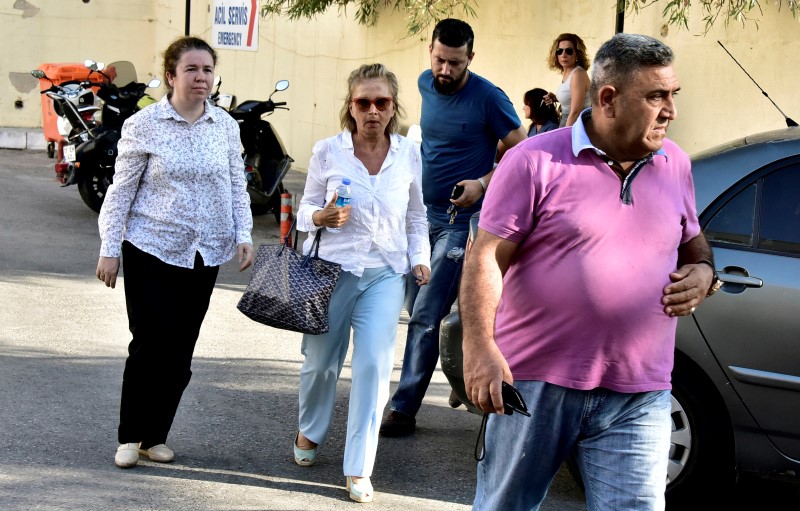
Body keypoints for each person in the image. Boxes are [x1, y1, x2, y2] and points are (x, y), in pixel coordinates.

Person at [460, 33, 719, 510]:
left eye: (672, 95)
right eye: (657, 96)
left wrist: (704, 271)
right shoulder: (534, 160)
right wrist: (479, 347)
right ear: (608, 99)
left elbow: (693, 241)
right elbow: (486, 257)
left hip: (640, 390)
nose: (671, 111)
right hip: (535, 382)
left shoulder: (675, 164)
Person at [96, 36, 254, 469]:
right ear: (171, 76)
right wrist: (109, 249)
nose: (201, 77)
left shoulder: (224, 125)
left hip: (206, 252)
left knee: (181, 348)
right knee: (149, 342)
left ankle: (155, 437)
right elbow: (121, 190)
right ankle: (130, 436)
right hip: (151, 247)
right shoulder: (145, 124)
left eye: (207, 69)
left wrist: (244, 234)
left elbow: (235, 185)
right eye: (191, 69)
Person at [380, 18, 526, 437]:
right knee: (415, 307)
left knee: (426, 314)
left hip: (459, 223)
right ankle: (462, 374)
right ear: (430, 51)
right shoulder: (427, 83)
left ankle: (404, 408)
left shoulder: (488, 97)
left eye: (455, 64)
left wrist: (483, 183)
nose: (445, 71)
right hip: (417, 216)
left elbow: (522, 151)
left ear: (470, 59)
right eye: (440, 60)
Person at [292, 63, 430, 503]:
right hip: (331, 272)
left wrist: (420, 259)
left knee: (372, 367)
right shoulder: (328, 151)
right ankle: (311, 430)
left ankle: (358, 466)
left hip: (385, 274)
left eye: (381, 102)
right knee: (320, 364)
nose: (372, 110)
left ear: (393, 107)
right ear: (350, 107)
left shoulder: (408, 153)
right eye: (363, 102)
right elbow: (304, 208)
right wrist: (319, 216)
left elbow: (417, 215)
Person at [544, 33, 591, 127]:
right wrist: (556, 98)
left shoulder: (577, 74)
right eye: (559, 51)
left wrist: (565, 134)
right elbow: (572, 99)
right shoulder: (568, 73)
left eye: (569, 51)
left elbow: (575, 112)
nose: (563, 55)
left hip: (577, 123)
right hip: (569, 120)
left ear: (577, 54)